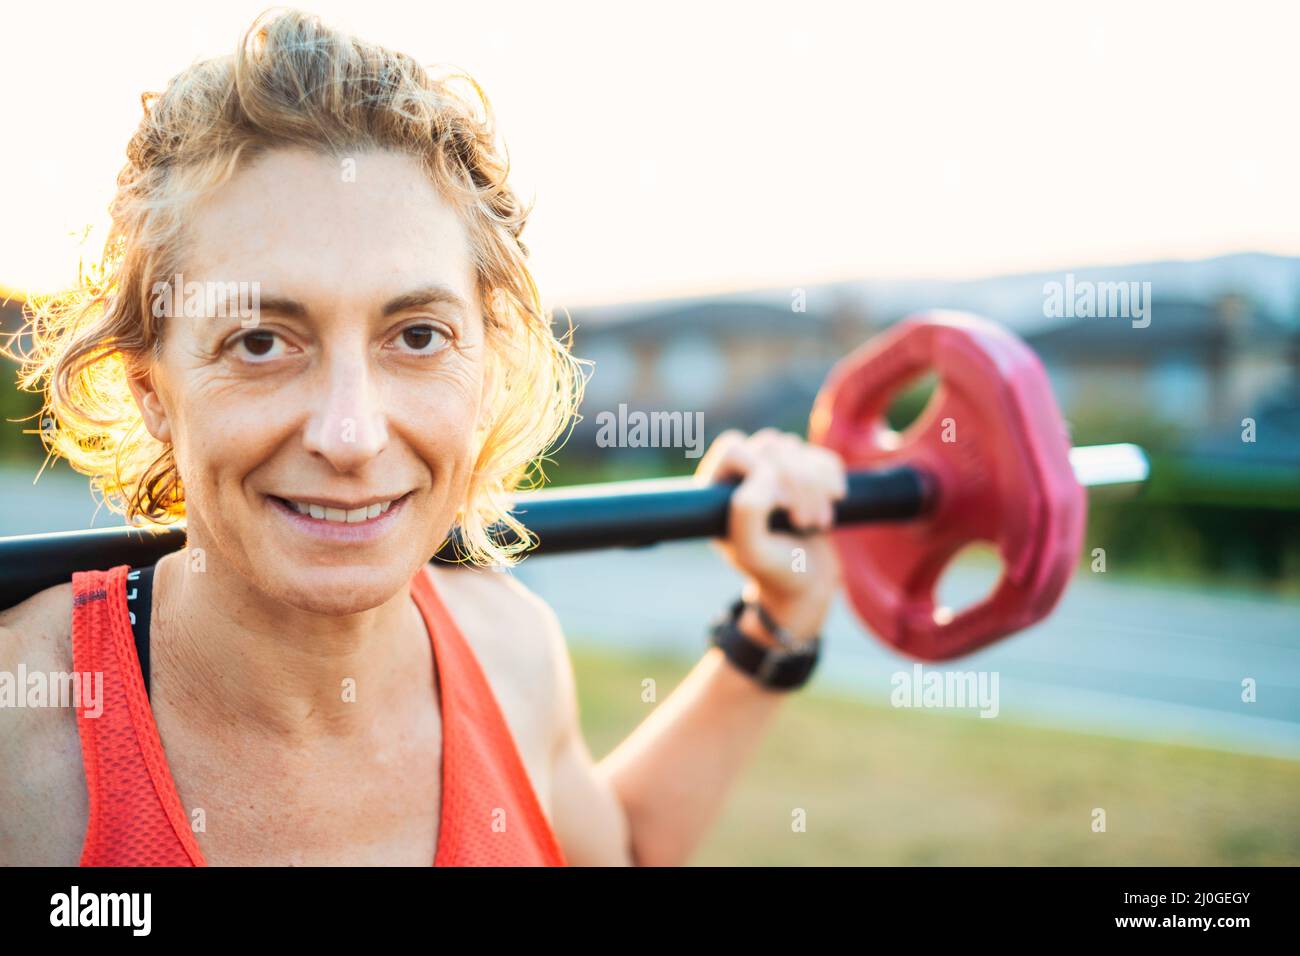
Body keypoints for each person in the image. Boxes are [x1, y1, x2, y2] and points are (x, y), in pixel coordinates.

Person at [0, 9, 846, 866]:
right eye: (260, 341)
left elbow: (613, 851)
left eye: (416, 337)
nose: (352, 434)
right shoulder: (19, 736)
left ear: (485, 365)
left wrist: (775, 628)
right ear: (152, 390)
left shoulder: (508, 646)